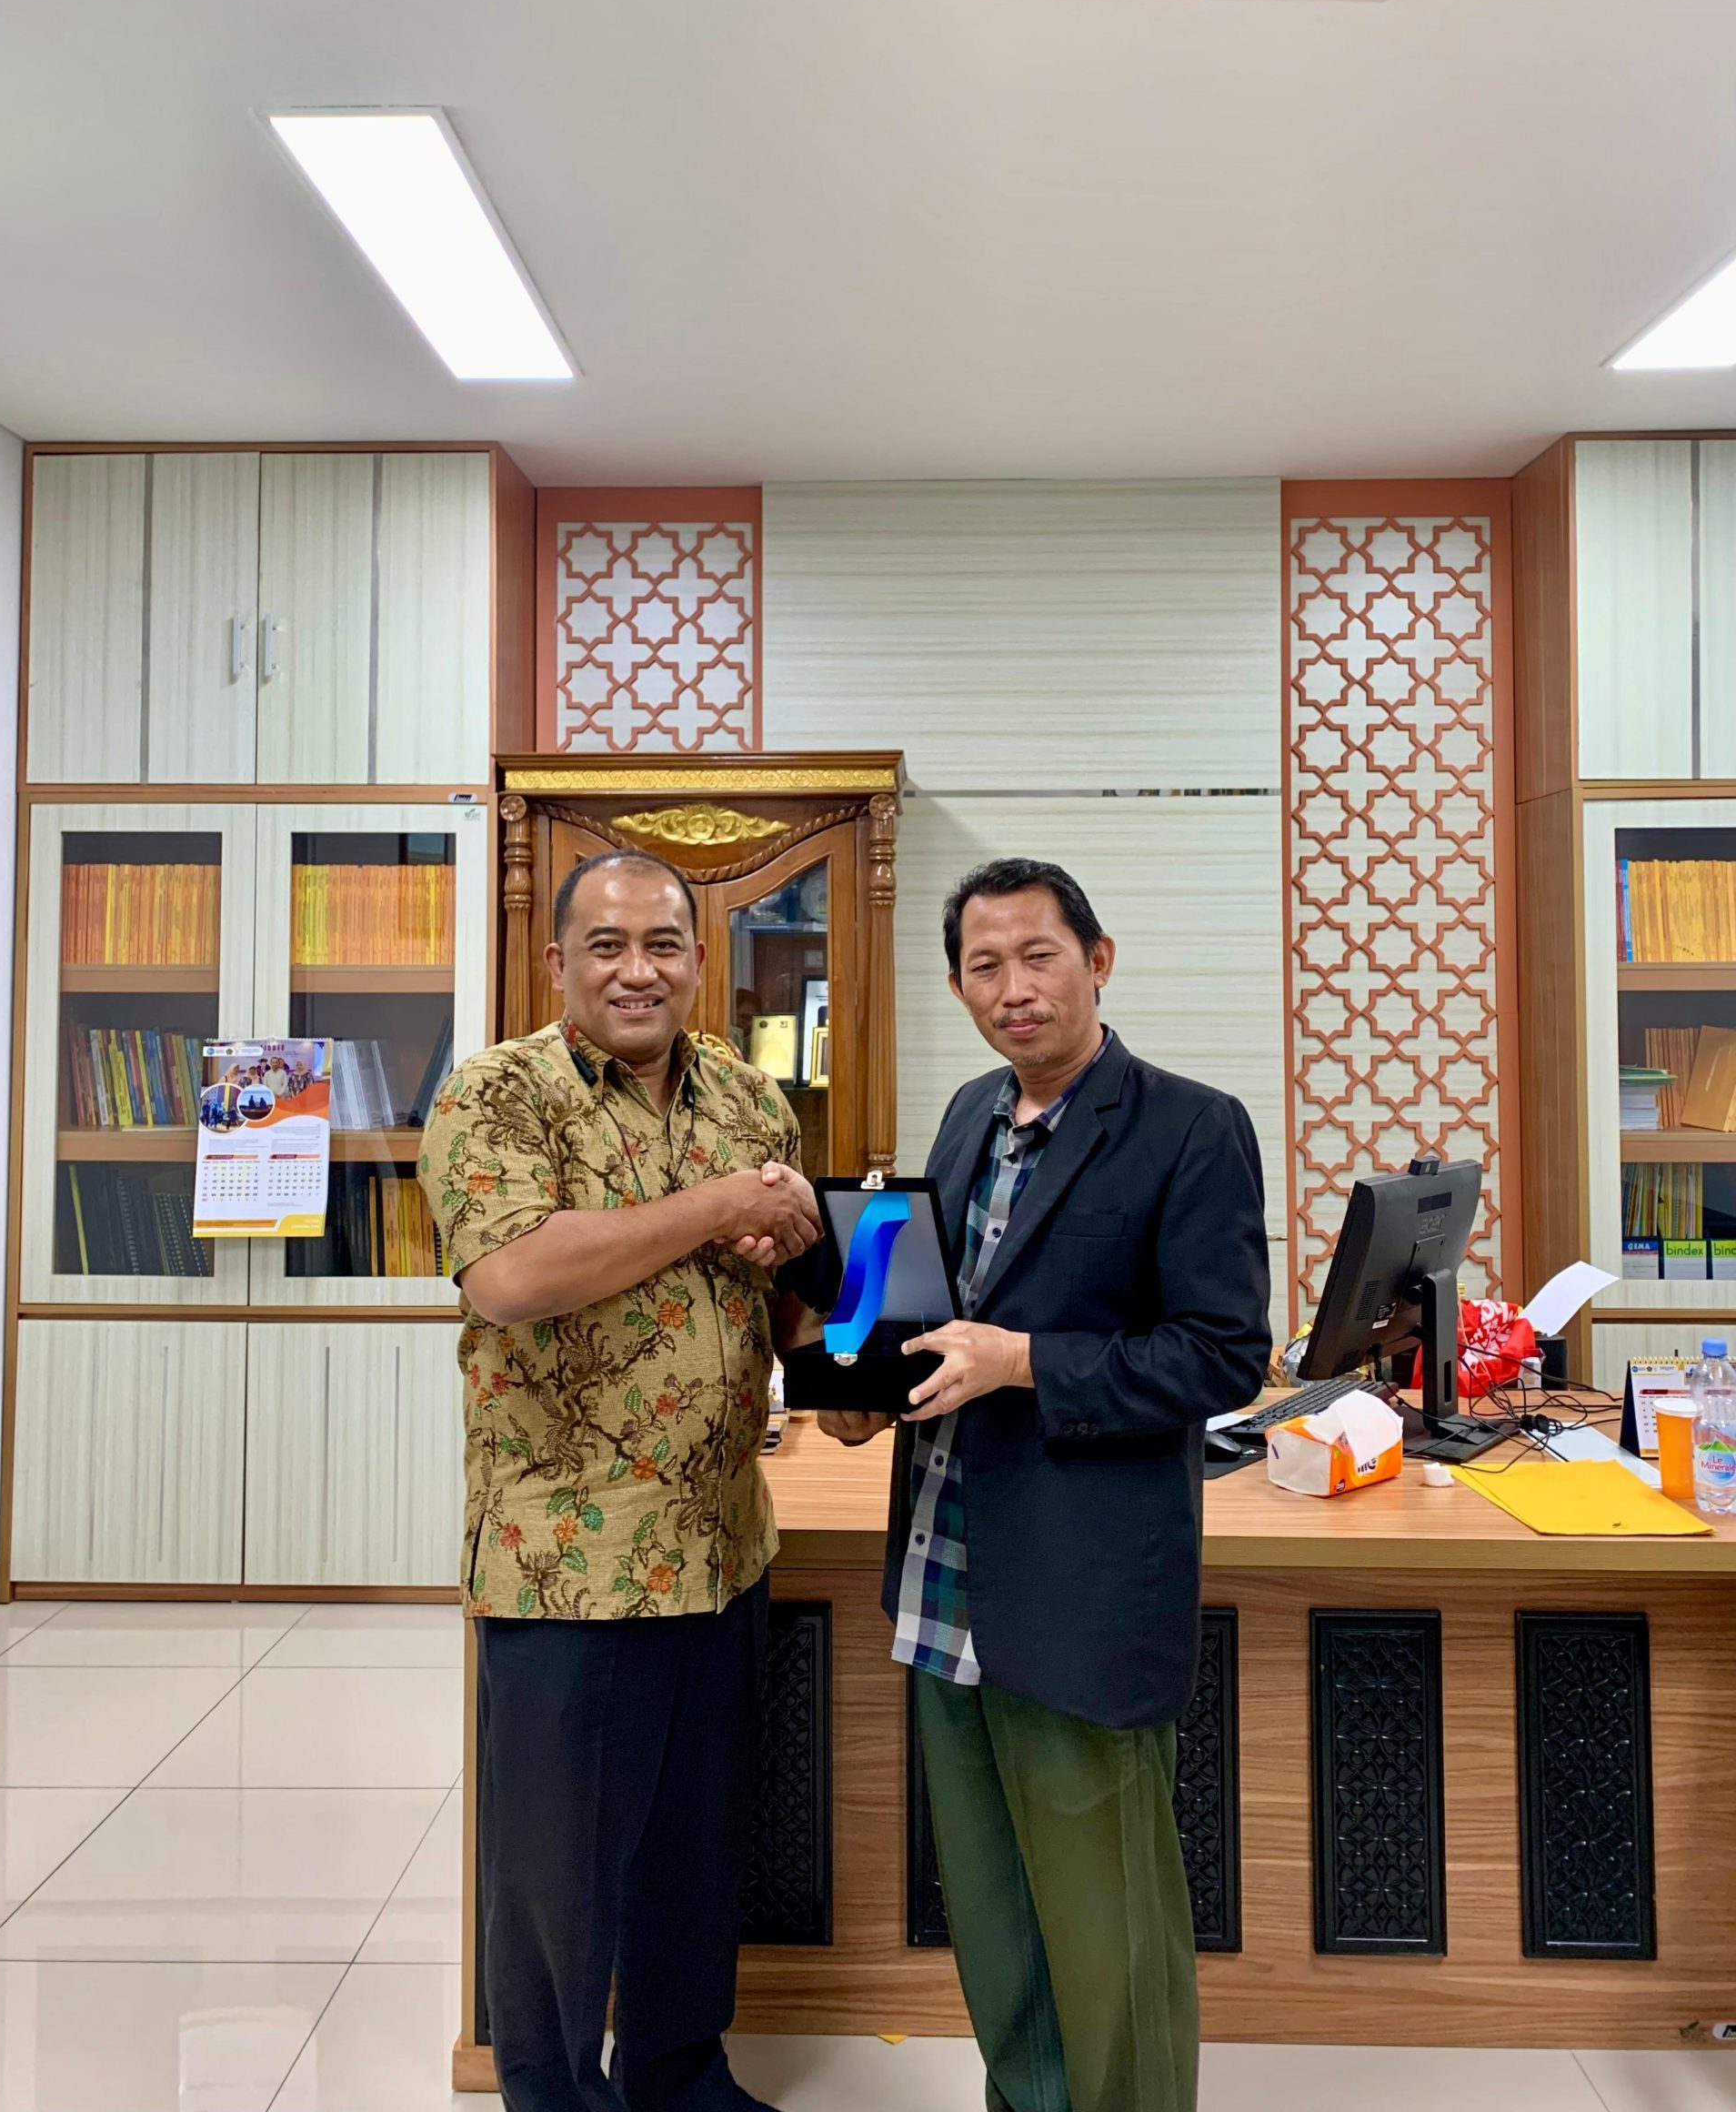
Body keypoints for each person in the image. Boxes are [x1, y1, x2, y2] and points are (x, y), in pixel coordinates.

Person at [820, 856, 1270, 2112]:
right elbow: (915, 1310)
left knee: (1107, 1927)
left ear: (1097, 961)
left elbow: (1221, 1355)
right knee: (995, 1913)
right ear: (958, 985)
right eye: (985, 966)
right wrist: (849, 1369)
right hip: (943, 1572)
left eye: (1039, 957)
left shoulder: (1191, 1127)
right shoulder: (968, 1113)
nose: (1013, 989)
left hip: (1080, 1590)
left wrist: (1024, 1362)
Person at [416, 848, 821, 2112]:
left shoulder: (751, 1102)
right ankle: (553, 2100)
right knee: (559, 1887)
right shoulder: (498, 1094)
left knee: (692, 1863)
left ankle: (679, 2080)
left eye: (662, 944)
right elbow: (512, 1277)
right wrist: (718, 1206)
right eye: (606, 945)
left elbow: (786, 1297)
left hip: (721, 1549)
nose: (636, 970)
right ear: (558, 963)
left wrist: (846, 1328)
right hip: (569, 1568)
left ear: (699, 960)